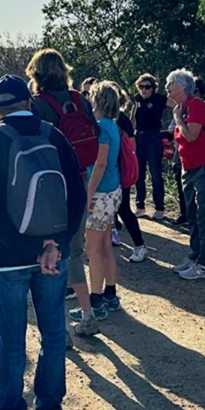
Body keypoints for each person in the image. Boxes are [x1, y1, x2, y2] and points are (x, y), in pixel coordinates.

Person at [0, 75, 86, 410]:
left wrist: (27, 247)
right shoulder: (54, 135)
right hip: (54, 254)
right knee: (54, 332)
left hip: (8, 257)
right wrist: (55, 245)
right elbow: (77, 196)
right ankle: (51, 405)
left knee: (11, 336)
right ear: (29, 102)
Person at [27, 48, 98, 323]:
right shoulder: (80, 100)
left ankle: (59, 327)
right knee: (74, 251)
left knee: (47, 250)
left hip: (49, 185)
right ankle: (87, 313)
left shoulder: (37, 104)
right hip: (79, 178)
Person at [68, 81, 124, 333]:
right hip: (113, 191)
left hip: (100, 193)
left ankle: (96, 299)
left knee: (93, 248)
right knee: (104, 246)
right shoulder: (113, 126)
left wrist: (87, 194)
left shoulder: (101, 128)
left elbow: (99, 164)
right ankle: (110, 293)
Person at [167, 69, 205, 280]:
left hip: (204, 167)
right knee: (192, 215)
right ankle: (194, 255)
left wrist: (178, 119)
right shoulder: (181, 108)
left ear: (184, 86)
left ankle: (204, 265)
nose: (167, 87)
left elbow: (191, 135)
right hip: (188, 168)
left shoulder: (195, 105)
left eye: (171, 83)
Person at [115, 89, 148, 262]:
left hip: (119, 172)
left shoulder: (122, 120)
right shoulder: (105, 121)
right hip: (113, 173)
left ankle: (140, 245)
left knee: (123, 209)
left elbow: (132, 147)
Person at [133, 74, 168, 219]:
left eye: (147, 87)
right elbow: (133, 117)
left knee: (155, 172)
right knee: (138, 173)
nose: (144, 90)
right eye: (141, 87)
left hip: (154, 136)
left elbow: (179, 106)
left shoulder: (160, 99)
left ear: (153, 88)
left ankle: (159, 207)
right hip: (139, 136)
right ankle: (140, 206)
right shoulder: (137, 99)